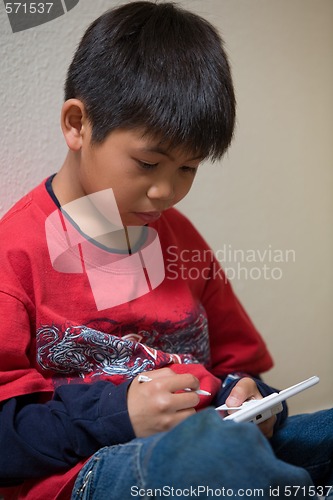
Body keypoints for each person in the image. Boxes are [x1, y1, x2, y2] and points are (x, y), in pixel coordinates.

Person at [0, 2, 332, 499]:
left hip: (213, 440)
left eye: (187, 169)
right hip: (93, 471)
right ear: (77, 125)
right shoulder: (15, 257)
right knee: (217, 460)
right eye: (148, 162)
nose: (165, 193)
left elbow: (238, 368)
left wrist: (256, 400)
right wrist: (120, 416)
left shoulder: (178, 237)